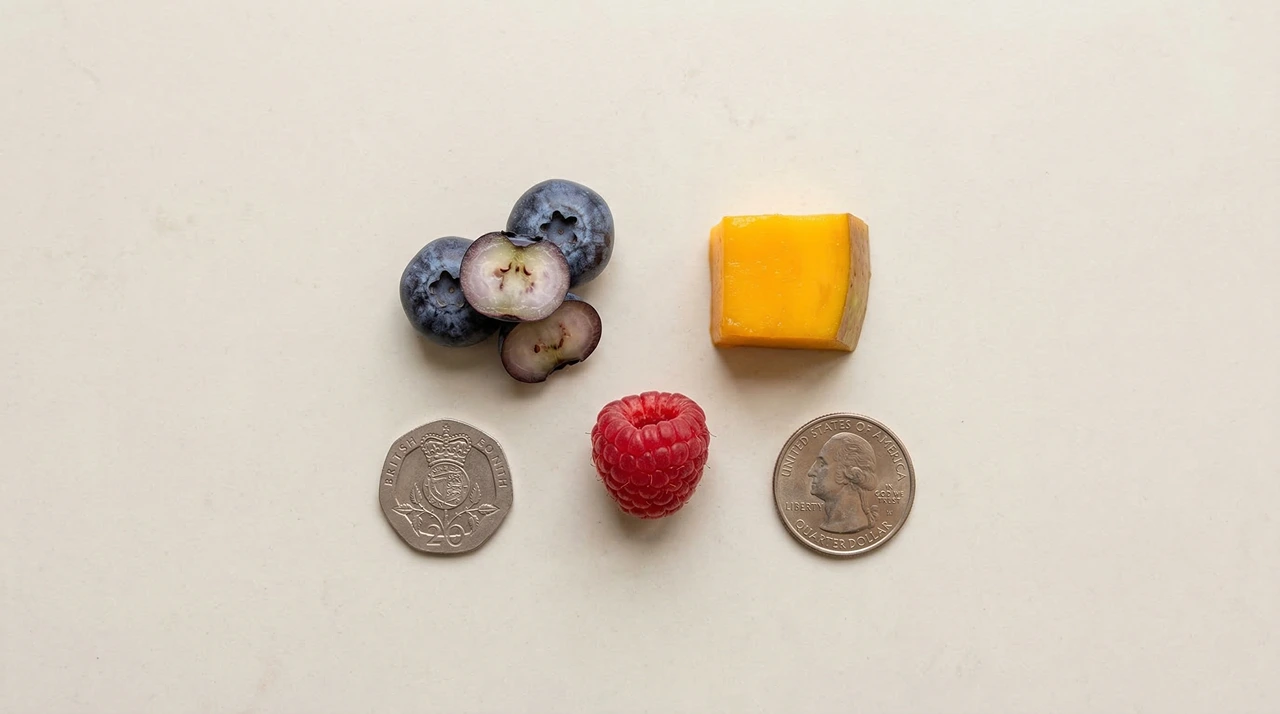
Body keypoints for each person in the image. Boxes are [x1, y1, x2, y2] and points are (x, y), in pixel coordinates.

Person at [807, 432, 878, 533]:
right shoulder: (829, 524)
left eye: (822, 464)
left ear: (849, 473)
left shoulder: (853, 525)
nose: (811, 472)